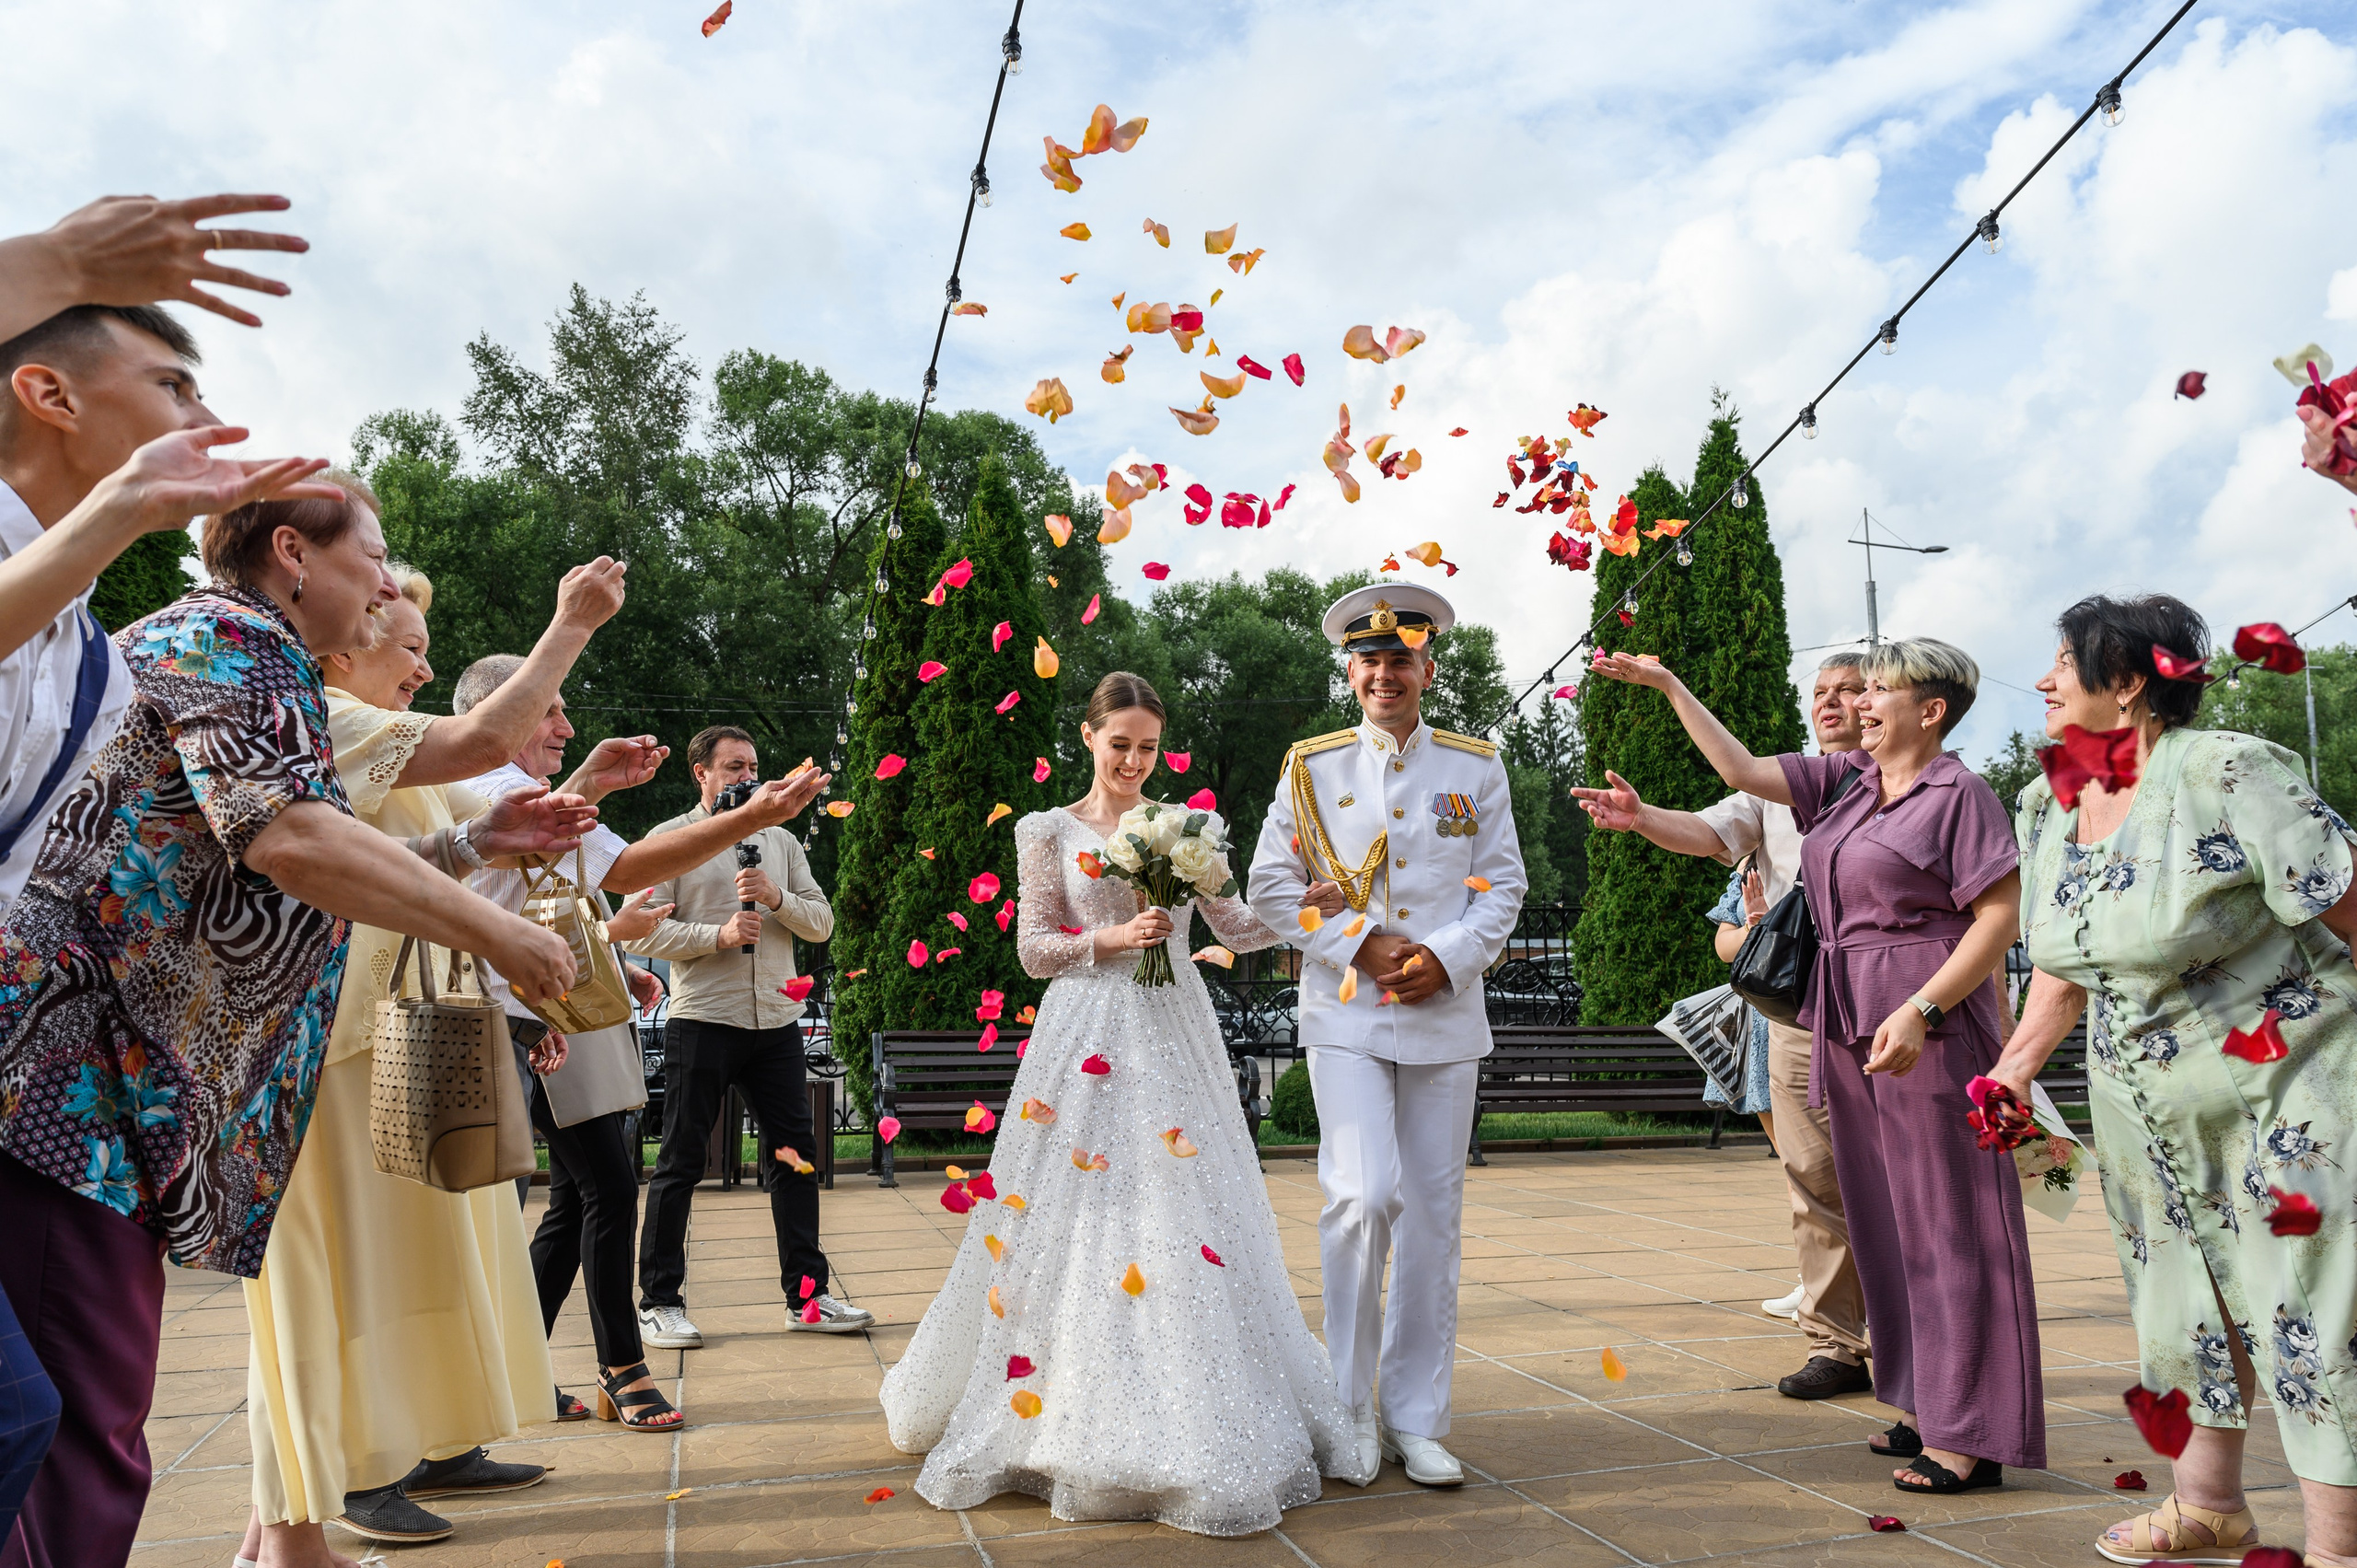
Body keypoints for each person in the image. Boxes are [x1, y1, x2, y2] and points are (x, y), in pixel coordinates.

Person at [0, 482, 583, 1568]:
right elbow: (293, 839)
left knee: (79, 1412)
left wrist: (474, 861)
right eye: (375, 554)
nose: (385, 584)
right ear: (291, 554)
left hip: (115, 1081)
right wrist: (503, 937)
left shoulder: (254, 654)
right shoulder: (229, 635)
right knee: (77, 1425)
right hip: (70, 1082)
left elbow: (297, 845)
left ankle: (281, 1537)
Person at [881, 670, 1369, 1534]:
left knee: (1182, 1204)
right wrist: (1114, 935)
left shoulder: (1188, 827)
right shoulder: (1047, 828)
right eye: (1120, 745)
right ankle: (1060, 1398)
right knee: (1076, 1207)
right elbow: (1034, 948)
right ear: (1088, 737)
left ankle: (1190, 1398)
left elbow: (1233, 926)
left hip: (1173, 1025)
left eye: (1147, 747)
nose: (1134, 761)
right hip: (1084, 1030)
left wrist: (1304, 911)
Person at [235, 539, 630, 1555]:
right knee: (335, 1280)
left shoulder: (376, 736)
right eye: (405, 645)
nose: (421, 665)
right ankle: (334, 1489)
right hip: (327, 1046)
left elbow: (469, 840)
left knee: (422, 1268)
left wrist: (560, 802)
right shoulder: (324, 717)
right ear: (341, 644)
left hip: (410, 1036)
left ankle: (396, 1459)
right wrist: (573, 621)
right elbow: (477, 745)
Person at [1587, 637, 2035, 1495]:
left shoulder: (1961, 794)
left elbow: (1998, 916)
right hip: (1843, 1015)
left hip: (1926, 1017)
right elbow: (1738, 769)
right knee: (1884, 1220)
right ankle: (1925, 1404)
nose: (1860, 703)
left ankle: (1972, 1432)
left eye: (1878, 690)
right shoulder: (1847, 781)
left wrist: (1924, 1009)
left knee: (1949, 1223)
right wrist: (1669, 681)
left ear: (1930, 710)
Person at [1984, 594, 2357, 1566]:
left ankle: (2338, 1545)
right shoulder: (2049, 799)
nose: (2043, 680)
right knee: (2180, 1297)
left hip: (2286, 1087)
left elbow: (2346, 900)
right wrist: (2014, 1067)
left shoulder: (2229, 769)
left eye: (2062, 662)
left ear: (2127, 682)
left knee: (2309, 1305)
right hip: (2141, 1102)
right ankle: (2209, 1506)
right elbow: (2066, 959)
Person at [454, 658, 830, 1434]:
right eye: (550, 710)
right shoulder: (490, 790)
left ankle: (514, 1372)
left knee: (577, 1198)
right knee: (606, 1188)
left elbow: (553, 898)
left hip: (563, 1017)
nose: (566, 725)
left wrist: (614, 955)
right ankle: (621, 1355)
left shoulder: (527, 793)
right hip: (519, 1021)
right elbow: (623, 874)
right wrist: (741, 835)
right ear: (503, 712)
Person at [1248, 585, 1529, 1489]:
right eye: (1368, 660)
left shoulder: (1475, 767)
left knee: (1433, 1218)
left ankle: (1416, 1417)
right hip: (1348, 1014)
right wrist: (1360, 944)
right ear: (1350, 672)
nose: (1384, 673)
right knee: (1361, 1197)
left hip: (1443, 1015)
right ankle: (1347, 1408)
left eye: (1399, 658)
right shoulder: (1312, 767)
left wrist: (1447, 957)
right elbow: (1268, 885)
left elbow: (1503, 885)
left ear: (1426, 669)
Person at [1572, 654, 1874, 1396]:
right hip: (1800, 1012)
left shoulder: (1906, 782)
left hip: (1885, 1005)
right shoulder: (1781, 788)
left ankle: (1915, 1339)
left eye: (1849, 689)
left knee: (1902, 1178)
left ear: (1882, 700)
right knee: (1813, 1177)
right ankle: (1836, 1344)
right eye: (1821, 691)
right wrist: (1642, 818)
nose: (1831, 701)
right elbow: (1709, 830)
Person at [625, 726, 865, 1341]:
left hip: (777, 1024)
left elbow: (822, 922)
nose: (747, 775)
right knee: (681, 1160)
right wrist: (719, 936)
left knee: (795, 1159)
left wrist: (778, 897)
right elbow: (640, 931)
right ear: (701, 773)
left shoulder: (780, 840)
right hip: (704, 1019)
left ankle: (807, 1299)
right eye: (733, 766)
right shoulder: (670, 840)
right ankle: (659, 1301)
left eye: (752, 765)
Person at [1702, 866, 1778, 1143]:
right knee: (1787, 1150)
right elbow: (1724, 948)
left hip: (1805, 1009)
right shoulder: (1748, 867)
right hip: (1759, 1013)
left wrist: (1773, 925)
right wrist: (1752, 928)